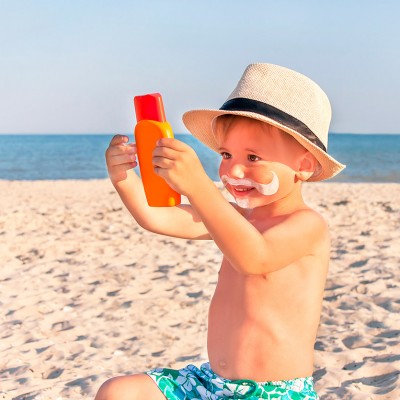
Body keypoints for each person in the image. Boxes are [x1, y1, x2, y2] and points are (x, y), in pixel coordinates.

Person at [95, 63, 345, 400]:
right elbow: (158, 217)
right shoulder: (232, 217)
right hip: (210, 383)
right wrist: (123, 178)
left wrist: (199, 187)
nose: (234, 169)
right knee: (118, 392)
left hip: (275, 393)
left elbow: (254, 257)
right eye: (226, 154)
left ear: (303, 165)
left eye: (253, 157)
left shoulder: (307, 226)